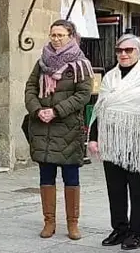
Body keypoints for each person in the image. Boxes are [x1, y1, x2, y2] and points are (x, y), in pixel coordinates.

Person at [89, 34, 140, 250]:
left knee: (138, 189)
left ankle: (137, 232)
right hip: (111, 141)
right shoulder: (110, 77)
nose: (123, 54)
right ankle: (119, 228)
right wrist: (94, 138)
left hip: (137, 144)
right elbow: (100, 108)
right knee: (115, 188)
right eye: (120, 50)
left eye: (129, 50)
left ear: (138, 52)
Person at [24, 20, 95, 240]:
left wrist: (56, 111)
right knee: (46, 176)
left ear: (71, 36)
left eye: (60, 35)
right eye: (53, 35)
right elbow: (30, 88)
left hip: (67, 129)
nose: (55, 39)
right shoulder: (42, 61)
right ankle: (49, 222)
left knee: (71, 177)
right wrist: (37, 110)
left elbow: (83, 95)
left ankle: (73, 224)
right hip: (42, 128)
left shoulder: (80, 64)